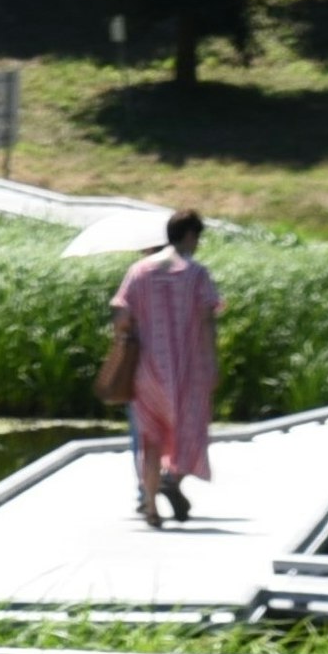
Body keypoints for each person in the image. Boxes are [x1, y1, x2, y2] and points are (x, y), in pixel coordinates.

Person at [107, 210, 219, 529]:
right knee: (192, 429)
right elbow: (209, 319)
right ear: (188, 236)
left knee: (150, 439)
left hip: (147, 370)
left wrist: (126, 340)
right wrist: (212, 361)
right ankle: (174, 478)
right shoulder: (196, 273)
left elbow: (121, 315)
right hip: (188, 370)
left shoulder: (139, 271)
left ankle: (152, 508)